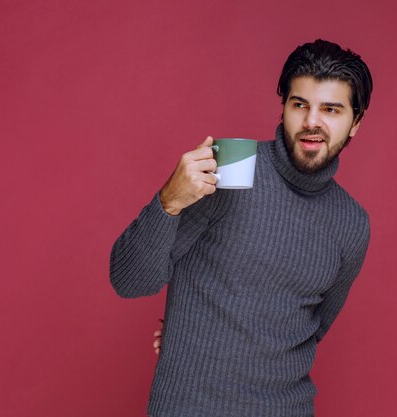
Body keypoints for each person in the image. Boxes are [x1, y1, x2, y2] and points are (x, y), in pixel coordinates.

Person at [110, 38, 373, 417]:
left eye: (331, 109)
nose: (312, 121)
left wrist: (213, 332)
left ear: (356, 123)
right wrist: (169, 200)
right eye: (300, 105)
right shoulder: (233, 164)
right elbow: (129, 280)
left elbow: (309, 328)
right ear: (283, 108)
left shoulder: (351, 222)